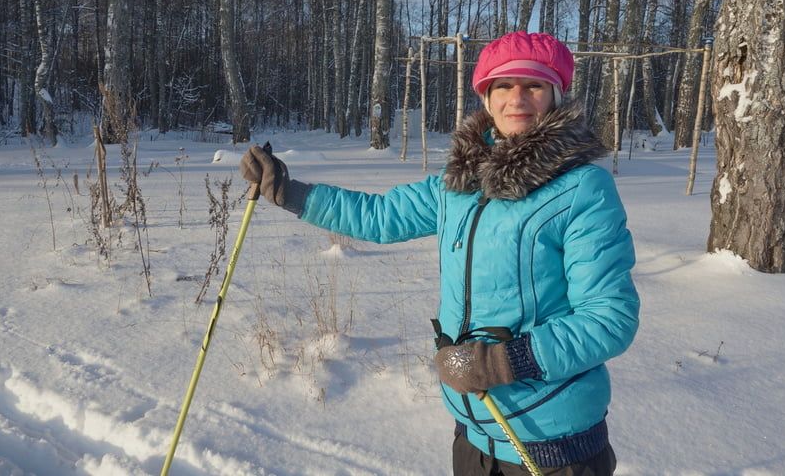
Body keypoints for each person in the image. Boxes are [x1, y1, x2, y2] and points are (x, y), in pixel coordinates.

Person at [240, 31, 639, 476]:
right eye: (503, 86)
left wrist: (504, 361)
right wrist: (290, 192)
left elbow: (609, 318)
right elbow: (379, 216)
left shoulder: (581, 188)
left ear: (555, 95)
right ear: (486, 98)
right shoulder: (459, 185)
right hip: (473, 433)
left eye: (534, 85)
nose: (517, 99)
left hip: (553, 447)